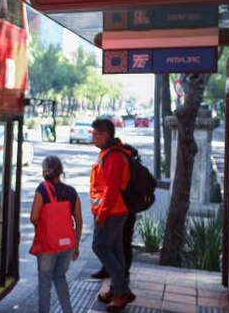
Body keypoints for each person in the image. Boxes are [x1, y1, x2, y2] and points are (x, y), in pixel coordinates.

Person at [89, 118, 135, 311]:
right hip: (114, 210)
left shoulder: (114, 156)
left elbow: (111, 189)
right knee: (115, 250)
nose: (92, 136)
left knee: (99, 246)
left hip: (112, 212)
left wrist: (102, 214)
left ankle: (122, 292)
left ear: (106, 134)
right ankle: (117, 289)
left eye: (95, 133)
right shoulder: (108, 152)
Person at [30, 156, 82, 313]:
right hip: (67, 246)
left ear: (45, 171)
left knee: (45, 282)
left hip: (47, 245)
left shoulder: (42, 189)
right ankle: (68, 311)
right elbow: (79, 222)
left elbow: (34, 217)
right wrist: (76, 245)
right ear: (60, 171)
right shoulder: (72, 192)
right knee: (59, 277)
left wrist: (44, 228)